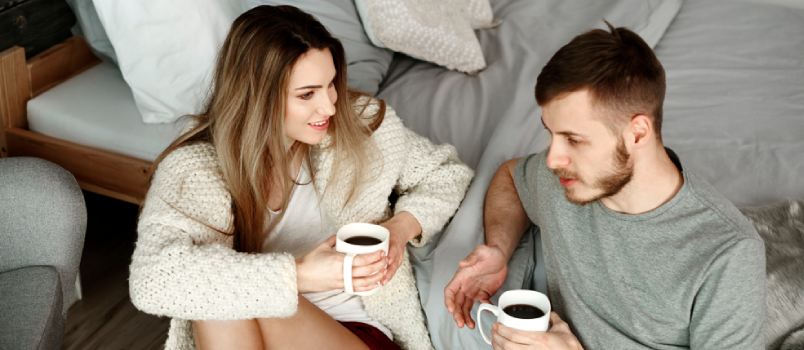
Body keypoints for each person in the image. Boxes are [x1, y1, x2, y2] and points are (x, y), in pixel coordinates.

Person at [129, 5, 473, 350]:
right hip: (249, 335)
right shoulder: (197, 168)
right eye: (307, 94)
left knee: (235, 297)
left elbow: (446, 173)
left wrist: (398, 231)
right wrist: (300, 275)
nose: (329, 107)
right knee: (225, 297)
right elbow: (151, 278)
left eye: (330, 85)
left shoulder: (359, 125)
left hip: (356, 331)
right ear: (257, 97)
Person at [444, 23, 766, 350]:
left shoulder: (727, 255)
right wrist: (499, 249)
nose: (553, 158)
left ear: (637, 133)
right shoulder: (566, 181)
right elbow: (511, 177)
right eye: (551, 133)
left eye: (574, 139)